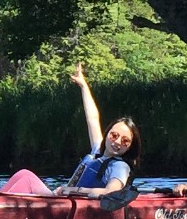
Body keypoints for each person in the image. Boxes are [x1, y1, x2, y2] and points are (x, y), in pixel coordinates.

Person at [61, 63, 142, 205]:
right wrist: (83, 86)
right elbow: (92, 118)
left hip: (73, 202)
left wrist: (75, 190)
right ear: (108, 134)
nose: (117, 142)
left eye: (125, 141)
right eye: (114, 136)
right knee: (25, 176)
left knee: (24, 176)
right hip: (61, 198)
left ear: (130, 146)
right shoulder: (98, 150)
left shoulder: (120, 167)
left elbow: (111, 192)